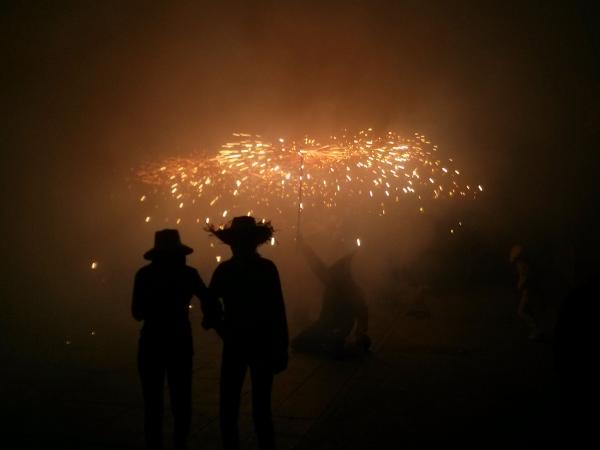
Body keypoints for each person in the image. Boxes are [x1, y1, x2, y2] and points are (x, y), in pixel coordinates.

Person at [206, 216, 289, 450]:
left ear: (232, 244)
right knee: (262, 404)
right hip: (261, 343)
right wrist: (281, 346)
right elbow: (277, 310)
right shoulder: (267, 268)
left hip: (236, 343)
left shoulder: (225, 270)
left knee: (229, 403)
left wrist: (224, 331)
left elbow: (210, 308)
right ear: (256, 243)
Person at [132, 229, 219, 450]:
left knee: (153, 402)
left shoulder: (144, 275)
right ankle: (180, 444)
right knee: (181, 400)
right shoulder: (188, 274)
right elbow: (209, 299)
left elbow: (137, 312)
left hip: (152, 340)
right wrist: (209, 320)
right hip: (179, 340)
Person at [291, 236, 370, 357]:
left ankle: (333, 347)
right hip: (325, 324)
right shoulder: (335, 282)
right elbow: (318, 267)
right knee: (298, 343)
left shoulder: (350, 289)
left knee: (311, 344)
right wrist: (304, 248)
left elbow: (363, 315)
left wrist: (358, 336)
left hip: (338, 328)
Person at [509, 244, 545, 340]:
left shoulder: (522, 264)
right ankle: (537, 329)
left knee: (522, 311)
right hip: (527, 290)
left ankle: (537, 329)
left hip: (528, 290)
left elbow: (526, 277)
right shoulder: (521, 264)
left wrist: (522, 286)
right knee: (527, 310)